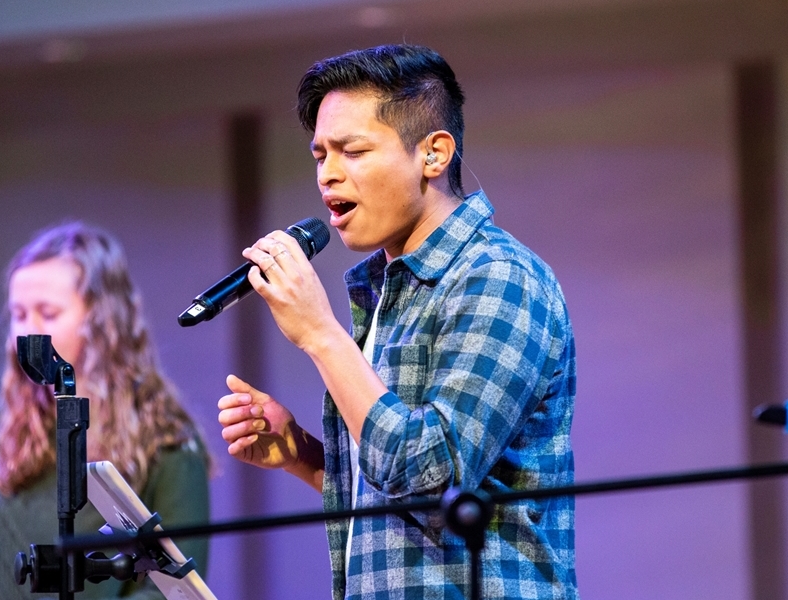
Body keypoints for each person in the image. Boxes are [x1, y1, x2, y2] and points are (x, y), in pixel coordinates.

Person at [217, 44, 576, 599]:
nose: (328, 175)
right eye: (319, 156)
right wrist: (303, 455)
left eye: (353, 151)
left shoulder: (499, 278)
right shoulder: (387, 290)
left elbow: (432, 475)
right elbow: (397, 497)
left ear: (433, 154)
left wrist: (321, 335)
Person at [0, 223, 210, 599]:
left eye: (48, 313)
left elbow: (173, 590)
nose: (28, 332)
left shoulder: (168, 440)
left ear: (103, 320)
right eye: (19, 315)